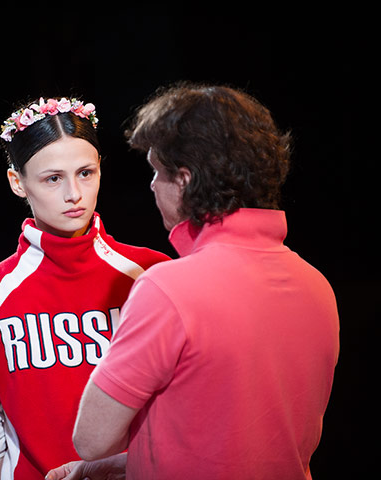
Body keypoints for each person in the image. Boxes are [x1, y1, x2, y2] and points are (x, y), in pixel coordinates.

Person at [49, 83, 340, 480]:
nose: (151, 186)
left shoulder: (167, 288)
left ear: (184, 181)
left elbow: (92, 439)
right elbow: (249, 445)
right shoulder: (317, 286)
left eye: (156, 171)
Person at [0, 96, 171, 479]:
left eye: (86, 173)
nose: (74, 194)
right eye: (53, 178)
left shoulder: (153, 276)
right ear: (17, 182)